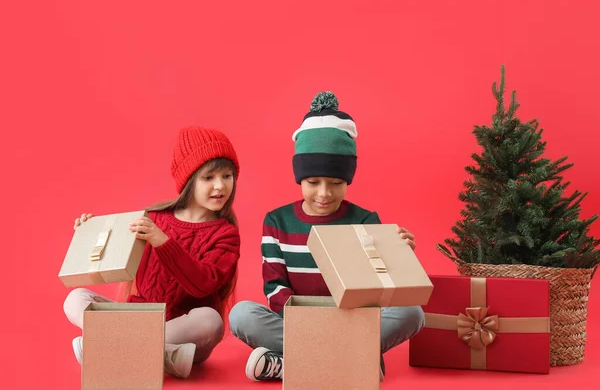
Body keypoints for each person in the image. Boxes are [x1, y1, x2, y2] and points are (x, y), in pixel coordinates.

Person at [229, 91, 425, 382]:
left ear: (347, 180)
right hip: (298, 322)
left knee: (413, 312)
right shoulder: (277, 221)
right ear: (299, 177)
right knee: (242, 314)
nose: (324, 193)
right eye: (312, 182)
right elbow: (274, 287)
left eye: (336, 183)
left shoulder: (364, 220)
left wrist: (399, 257)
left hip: (353, 321)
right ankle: (355, 360)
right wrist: (311, 321)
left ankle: (293, 363)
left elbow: (380, 287)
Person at [63, 126, 241, 379]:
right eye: (209, 177)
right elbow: (110, 256)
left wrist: (164, 243)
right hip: (138, 318)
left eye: (227, 176)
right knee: (75, 298)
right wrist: (89, 232)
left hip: (184, 335)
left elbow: (203, 284)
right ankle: (164, 358)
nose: (220, 186)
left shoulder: (225, 234)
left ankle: (113, 347)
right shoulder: (153, 218)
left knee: (210, 320)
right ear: (189, 180)